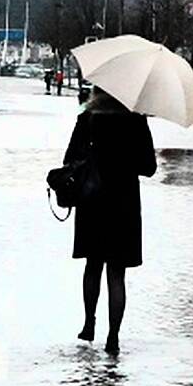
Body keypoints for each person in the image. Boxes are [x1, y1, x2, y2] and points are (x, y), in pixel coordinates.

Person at [63, 86, 157, 356]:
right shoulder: (136, 120)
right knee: (117, 273)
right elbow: (149, 168)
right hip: (123, 204)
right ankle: (113, 337)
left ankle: (88, 323)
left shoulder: (88, 118)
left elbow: (70, 159)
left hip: (92, 201)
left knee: (93, 265)